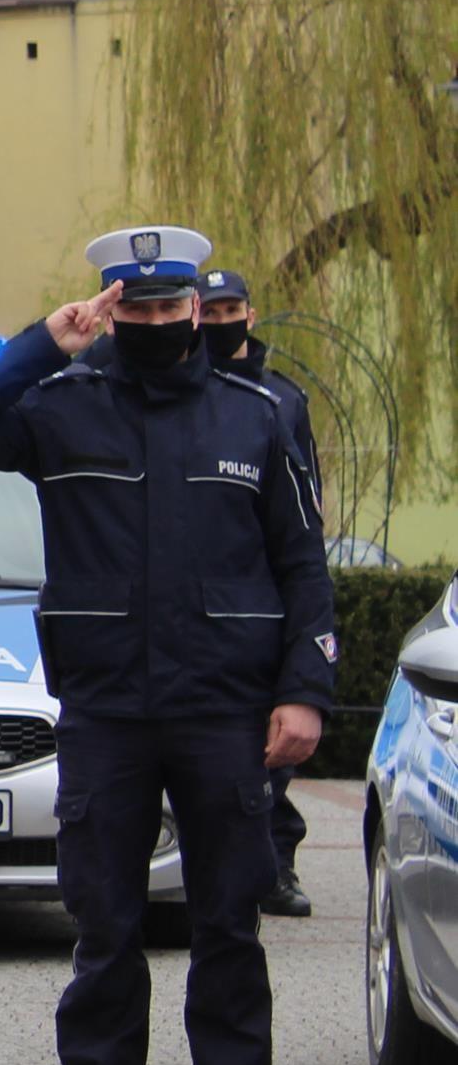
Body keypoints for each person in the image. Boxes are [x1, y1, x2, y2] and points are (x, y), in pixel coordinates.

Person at [0, 226, 332, 1065]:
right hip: (107, 706)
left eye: (168, 306)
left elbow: (303, 563)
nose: (153, 322)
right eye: (133, 307)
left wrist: (305, 690)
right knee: (105, 923)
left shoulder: (256, 415)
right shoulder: (62, 408)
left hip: (225, 708)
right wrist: (40, 343)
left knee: (229, 921)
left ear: (196, 308)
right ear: (111, 308)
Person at [198, 268, 324, 921]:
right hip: (210, 598)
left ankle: (276, 864)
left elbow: (304, 515)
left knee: (272, 750)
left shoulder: (282, 401)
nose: (222, 321)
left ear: (251, 312)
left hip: (267, 596)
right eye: (210, 310)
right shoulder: (187, 395)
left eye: (231, 308)